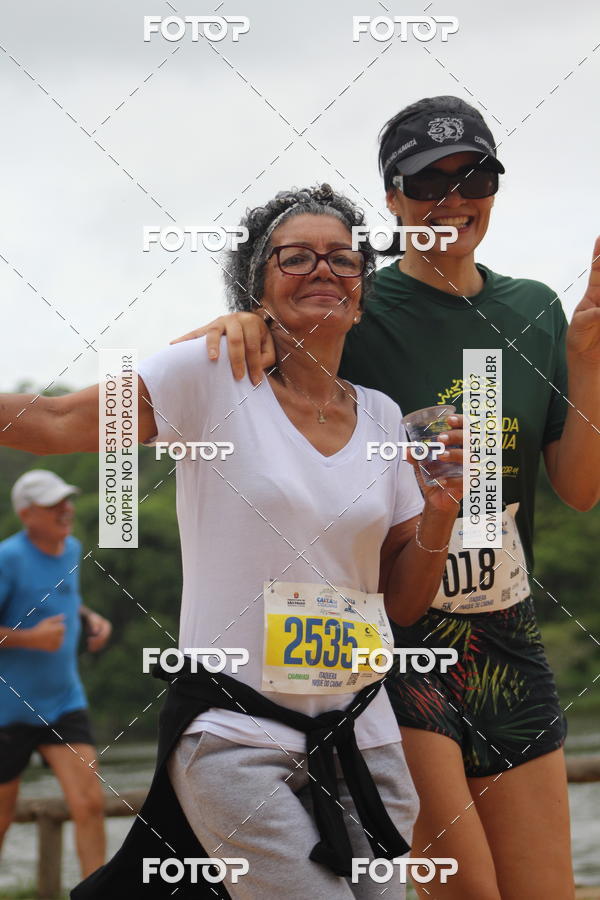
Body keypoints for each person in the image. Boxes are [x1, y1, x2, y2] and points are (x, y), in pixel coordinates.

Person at [176, 96, 600, 899]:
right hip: (392, 640)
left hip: (506, 637)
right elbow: (234, 358)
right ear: (393, 199)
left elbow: (579, 490)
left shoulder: (535, 310)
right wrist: (240, 322)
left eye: (473, 176)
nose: (453, 199)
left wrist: (587, 357)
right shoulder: (358, 310)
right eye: (427, 182)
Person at [1, 185, 464, 899]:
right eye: (296, 257)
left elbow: (401, 604)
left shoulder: (383, 417)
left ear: (361, 296)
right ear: (257, 289)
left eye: (343, 258)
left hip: (364, 737)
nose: (323, 269)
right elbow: (58, 422)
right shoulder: (210, 378)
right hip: (237, 735)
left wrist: (440, 514)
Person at [0, 469, 112, 878]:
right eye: (53, 504)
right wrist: (31, 638)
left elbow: (59, 598)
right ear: (26, 514)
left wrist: (88, 616)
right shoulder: (8, 558)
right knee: (2, 819)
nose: (66, 509)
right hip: (7, 710)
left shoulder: (72, 549)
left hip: (63, 702)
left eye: (66, 500)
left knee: (90, 804)